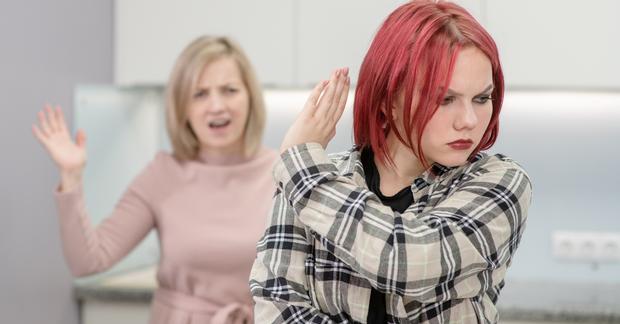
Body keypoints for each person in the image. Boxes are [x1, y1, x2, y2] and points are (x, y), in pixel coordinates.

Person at [250, 1, 532, 323]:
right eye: (445, 99)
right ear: (388, 101)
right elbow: (276, 305)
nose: (468, 120)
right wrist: (304, 171)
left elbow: (409, 262)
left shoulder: (501, 182)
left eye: (482, 98)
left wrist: (302, 171)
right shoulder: (311, 177)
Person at [32, 36, 276, 324]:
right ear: (182, 107)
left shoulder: (280, 172)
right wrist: (71, 177)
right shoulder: (162, 174)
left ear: (250, 96)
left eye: (229, 90)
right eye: (199, 94)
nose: (216, 105)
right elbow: (87, 260)